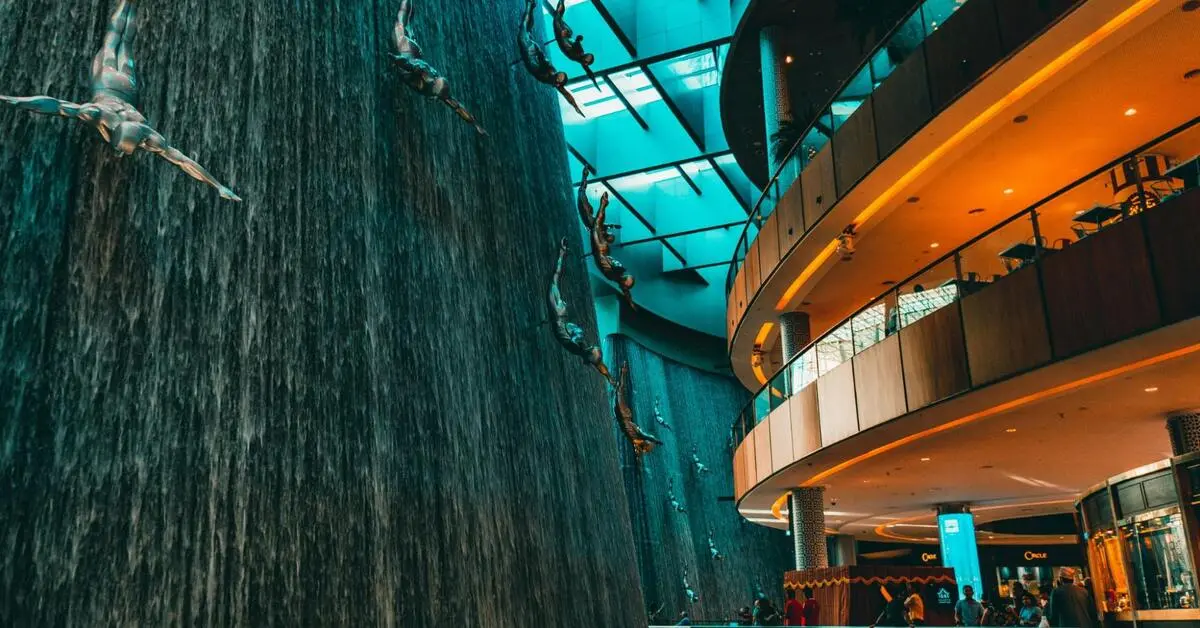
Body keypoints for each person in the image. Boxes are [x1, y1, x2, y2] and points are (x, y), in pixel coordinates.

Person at [1, 0, 240, 201]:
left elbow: (55, 105)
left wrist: (14, 100)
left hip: (122, 83)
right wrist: (217, 185)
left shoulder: (129, 127)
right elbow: (55, 105)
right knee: (118, 37)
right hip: (113, 82)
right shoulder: (115, 122)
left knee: (121, 38)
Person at [390, 0, 486, 134]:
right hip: (406, 51)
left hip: (413, 56)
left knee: (407, 24)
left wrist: (475, 124)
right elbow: (410, 65)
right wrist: (396, 59)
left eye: (435, 78)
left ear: (436, 96)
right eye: (436, 76)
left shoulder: (442, 93)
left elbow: (458, 107)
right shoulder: (427, 75)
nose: (433, 75)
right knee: (401, 23)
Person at [547, 238, 612, 382]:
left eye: (592, 349)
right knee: (555, 280)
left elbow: (569, 330)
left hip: (558, 314)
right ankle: (561, 254)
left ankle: (561, 253)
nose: (591, 345)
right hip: (560, 315)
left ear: (588, 354)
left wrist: (562, 254)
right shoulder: (578, 345)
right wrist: (609, 377)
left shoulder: (577, 344)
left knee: (554, 280)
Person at [518, 0, 583, 116]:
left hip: (530, 56)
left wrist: (574, 105)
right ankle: (531, 7)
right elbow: (567, 93)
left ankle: (529, 5)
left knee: (524, 29)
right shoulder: (554, 75)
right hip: (537, 54)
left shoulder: (552, 80)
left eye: (561, 76)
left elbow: (566, 94)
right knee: (527, 30)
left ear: (559, 81)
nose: (561, 74)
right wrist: (575, 105)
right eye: (562, 74)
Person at [589, 188, 637, 309]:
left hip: (599, 250)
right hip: (603, 250)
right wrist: (630, 302)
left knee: (597, 224)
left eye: (627, 277)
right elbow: (626, 291)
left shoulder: (615, 274)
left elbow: (625, 289)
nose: (627, 273)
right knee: (598, 225)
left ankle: (603, 204)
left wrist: (603, 205)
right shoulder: (618, 276)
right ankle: (603, 206)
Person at [612, 362, 662, 454]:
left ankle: (623, 372)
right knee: (619, 391)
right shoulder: (635, 438)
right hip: (622, 416)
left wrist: (656, 440)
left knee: (620, 390)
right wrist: (655, 441)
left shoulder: (637, 436)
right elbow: (646, 436)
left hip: (623, 415)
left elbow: (646, 436)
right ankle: (623, 372)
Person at [551, 0, 599, 87]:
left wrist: (594, 81)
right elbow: (576, 43)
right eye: (589, 55)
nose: (588, 56)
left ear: (586, 62)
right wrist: (578, 39)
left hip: (562, 38)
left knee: (557, 17)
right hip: (566, 36)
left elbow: (589, 72)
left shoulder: (581, 60)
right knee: (560, 18)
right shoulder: (582, 53)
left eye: (588, 58)